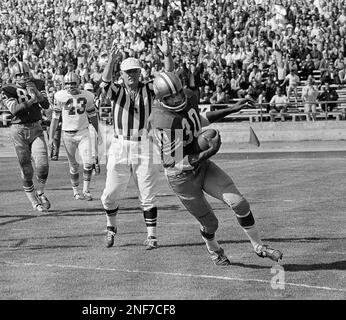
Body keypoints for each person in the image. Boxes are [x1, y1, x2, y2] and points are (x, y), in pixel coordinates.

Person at [150, 72, 283, 266]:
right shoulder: (164, 121)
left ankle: (259, 247)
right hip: (181, 177)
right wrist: (209, 152)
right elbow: (174, 162)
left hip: (201, 165)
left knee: (240, 203)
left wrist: (232, 109)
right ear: (161, 99)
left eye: (178, 93)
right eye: (171, 97)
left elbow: (199, 119)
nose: (178, 98)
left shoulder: (189, 97)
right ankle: (214, 250)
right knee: (211, 223)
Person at [100, 33, 173, 250]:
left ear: (140, 72)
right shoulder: (117, 90)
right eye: (128, 72)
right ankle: (111, 227)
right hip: (120, 143)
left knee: (148, 192)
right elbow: (104, 83)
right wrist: (111, 61)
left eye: (135, 71)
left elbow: (168, 78)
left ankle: (152, 236)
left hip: (144, 144)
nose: (132, 75)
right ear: (121, 74)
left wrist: (167, 54)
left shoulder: (148, 88)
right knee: (111, 193)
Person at [2, 60, 51, 212]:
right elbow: (15, 110)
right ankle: (33, 202)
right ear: (14, 77)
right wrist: (31, 101)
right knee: (27, 169)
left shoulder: (38, 83)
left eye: (25, 74)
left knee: (43, 164)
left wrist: (36, 93)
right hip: (18, 130)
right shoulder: (8, 89)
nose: (23, 77)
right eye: (19, 75)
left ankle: (40, 191)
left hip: (36, 127)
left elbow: (46, 105)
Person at [48, 72, 99, 201]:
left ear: (79, 83)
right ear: (64, 84)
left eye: (73, 83)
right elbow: (55, 118)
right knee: (74, 165)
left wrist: (99, 131)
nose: (70, 86)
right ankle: (76, 191)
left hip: (83, 132)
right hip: (67, 134)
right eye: (68, 84)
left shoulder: (87, 95)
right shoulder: (60, 96)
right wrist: (51, 137)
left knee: (88, 163)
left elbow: (93, 115)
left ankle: (86, 190)